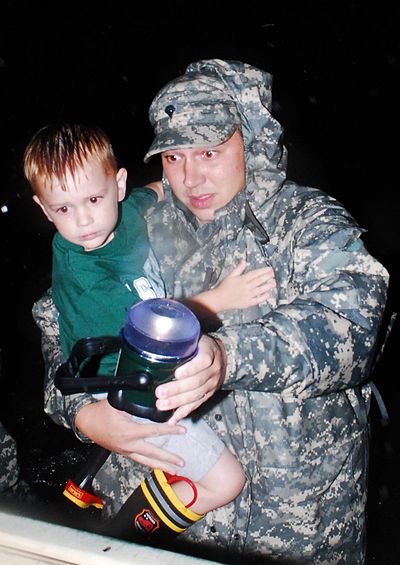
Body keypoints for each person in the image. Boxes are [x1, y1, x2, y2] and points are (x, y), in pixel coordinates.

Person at [32, 59, 389, 565]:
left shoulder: (310, 224)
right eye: (174, 156)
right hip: (157, 538)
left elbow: (352, 329)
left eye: (210, 152)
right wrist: (85, 415)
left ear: (252, 141)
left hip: (289, 541)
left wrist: (225, 355)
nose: (190, 175)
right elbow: (57, 328)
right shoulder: (130, 226)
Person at [24, 122, 276, 536]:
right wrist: (222, 297)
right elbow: (157, 331)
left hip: (135, 367)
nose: (84, 219)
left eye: (92, 198)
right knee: (226, 481)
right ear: (44, 209)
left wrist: (172, 181)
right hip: (121, 387)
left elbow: (151, 193)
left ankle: (154, 495)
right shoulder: (88, 279)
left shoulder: (124, 213)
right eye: (64, 209)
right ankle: (130, 537)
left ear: (118, 185)